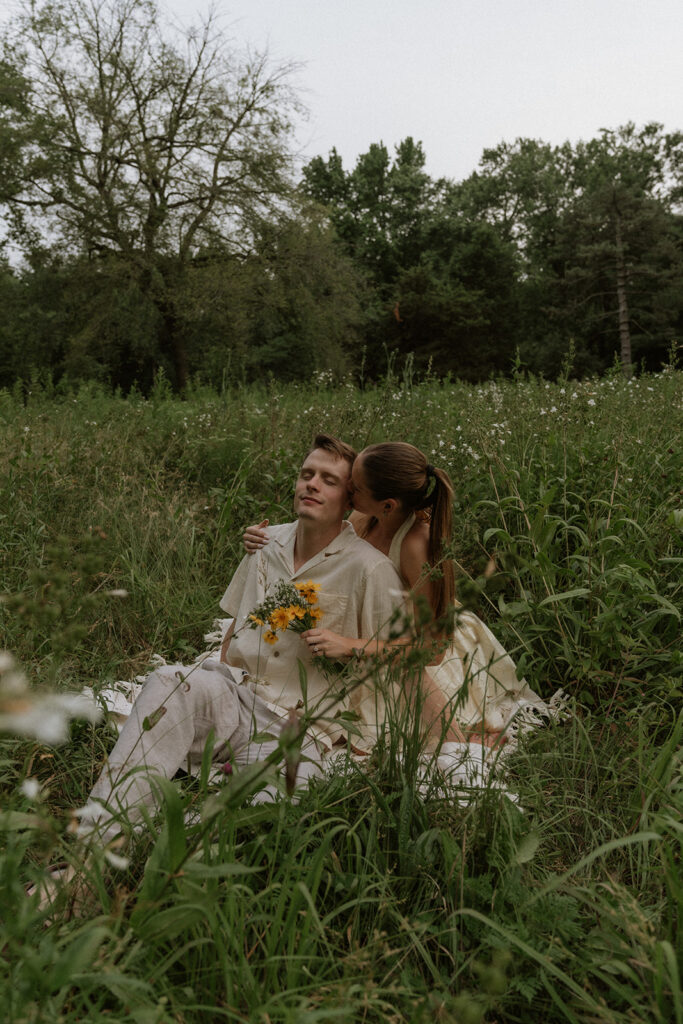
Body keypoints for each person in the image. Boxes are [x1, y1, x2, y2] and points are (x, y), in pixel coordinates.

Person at [75, 434, 408, 847]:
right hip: (236, 694)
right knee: (168, 679)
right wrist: (218, 676)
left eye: (328, 480)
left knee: (271, 810)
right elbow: (236, 623)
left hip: (299, 725)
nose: (312, 485)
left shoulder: (369, 569)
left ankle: (157, 855)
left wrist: (348, 652)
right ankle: (93, 849)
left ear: (350, 499)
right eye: (306, 474)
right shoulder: (265, 544)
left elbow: (404, 651)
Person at [244, 441, 555, 749]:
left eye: (355, 488)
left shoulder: (416, 545)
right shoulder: (364, 517)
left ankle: (461, 753)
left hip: (411, 641)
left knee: (401, 716)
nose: (346, 490)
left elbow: (432, 649)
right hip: (361, 623)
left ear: (388, 504)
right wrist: (267, 539)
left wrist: (351, 645)